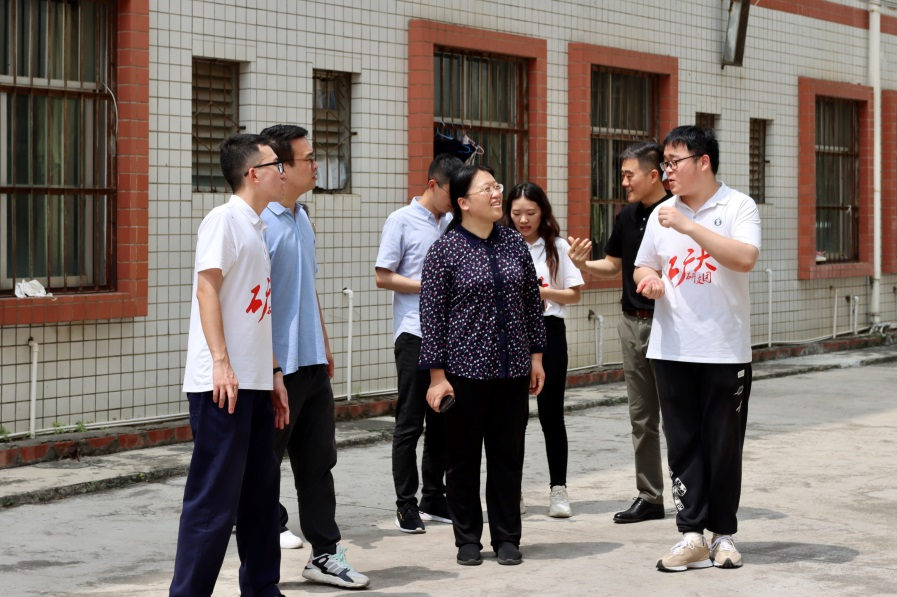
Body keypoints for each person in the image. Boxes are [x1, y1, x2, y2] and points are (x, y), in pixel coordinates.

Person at [633, 126, 760, 572]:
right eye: (664, 163)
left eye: (674, 162)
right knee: (683, 443)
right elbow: (643, 265)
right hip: (672, 348)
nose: (666, 171)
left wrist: (689, 225)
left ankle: (723, 534)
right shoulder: (661, 213)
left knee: (723, 445)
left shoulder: (738, 205)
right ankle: (691, 535)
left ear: (703, 162)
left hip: (724, 350)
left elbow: (744, 257)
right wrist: (649, 280)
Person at [171, 133, 290, 597]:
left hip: (255, 383)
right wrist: (221, 363)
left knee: (261, 496)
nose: (283, 172)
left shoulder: (258, 229)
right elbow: (207, 289)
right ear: (253, 173)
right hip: (222, 385)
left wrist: (274, 373)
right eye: (276, 164)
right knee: (214, 500)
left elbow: (257, 311)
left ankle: (262, 590)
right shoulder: (224, 220)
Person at [259, 124, 369, 589]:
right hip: (274, 369)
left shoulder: (302, 218)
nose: (316, 165)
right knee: (263, 468)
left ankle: (324, 555)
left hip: (310, 363)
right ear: (281, 168)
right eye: (308, 158)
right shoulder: (258, 224)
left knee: (319, 464)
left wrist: (322, 344)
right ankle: (260, 566)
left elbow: (308, 288)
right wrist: (270, 366)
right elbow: (253, 304)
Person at [419, 164, 546, 567]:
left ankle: (507, 537)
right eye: (486, 189)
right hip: (463, 376)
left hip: (512, 372)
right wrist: (436, 376)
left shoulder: (513, 243)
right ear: (463, 202)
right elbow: (431, 317)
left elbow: (531, 303)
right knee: (462, 461)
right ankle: (468, 539)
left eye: (496, 186)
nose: (496, 194)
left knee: (508, 458)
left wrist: (536, 356)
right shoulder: (445, 251)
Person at [567, 141, 671, 524]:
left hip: (669, 324)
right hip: (631, 323)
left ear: (653, 175)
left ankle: (691, 495)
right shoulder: (627, 216)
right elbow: (613, 265)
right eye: (622, 175)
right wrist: (583, 265)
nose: (623, 182)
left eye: (629, 175)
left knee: (679, 416)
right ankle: (650, 496)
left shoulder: (677, 214)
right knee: (641, 417)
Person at [375, 154, 463, 534]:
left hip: (448, 336)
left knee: (442, 420)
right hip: (414, 332)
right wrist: (428, 287)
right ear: (432, 185)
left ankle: (433, 497)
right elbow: (383, 276)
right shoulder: (401, 220)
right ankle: (406, 504)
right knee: (410, 423)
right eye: (451, 194)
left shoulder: (453, 224)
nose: (456, 201)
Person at [503, 182, 583, 518]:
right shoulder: (502, 244)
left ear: (542, 213)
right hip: (511, 334)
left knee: (551, 414)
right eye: (517, 213)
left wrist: (542, 294)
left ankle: (558, 490)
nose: (523, 220)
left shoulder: (557, 247)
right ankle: (513, 491)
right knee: (513, 418)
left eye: (530, 213)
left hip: (550, 331)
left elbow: (574, 293)